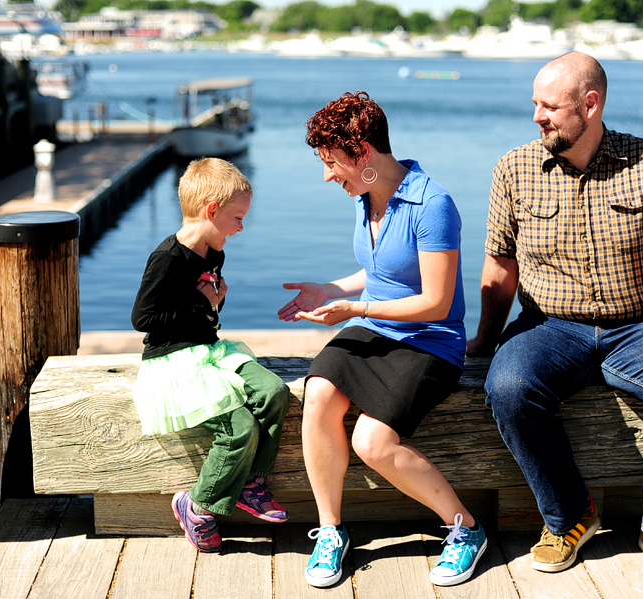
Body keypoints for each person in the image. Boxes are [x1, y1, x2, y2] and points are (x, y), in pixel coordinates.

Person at [469, 52, 643, 584]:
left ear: (590, 105)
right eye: (534, 105)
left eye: (549, 106)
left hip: (637, 326)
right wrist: (483, 342)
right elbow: (500, 267)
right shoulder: (514, 168)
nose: (538, 116)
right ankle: (569, 516)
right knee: (509, 386)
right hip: (548, 326)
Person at [278, 91, 486, 588]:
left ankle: (465, 529)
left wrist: (355, 308)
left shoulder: (433, 204)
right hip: (375, 326)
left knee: (371, 441)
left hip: (430, 341)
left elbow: (436, 302)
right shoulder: (364, 193)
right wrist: (334, 289)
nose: (327, 174)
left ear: (363, 153)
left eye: (332, 163)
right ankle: (331, 531)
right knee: (319, 393)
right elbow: (380, 271)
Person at [131, 157, 291, 553]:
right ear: (211, 211)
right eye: (237, 218)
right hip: (174, 360)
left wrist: (213, 304)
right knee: (239, 428)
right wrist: (202, 307)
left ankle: (252, 482)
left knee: (274, 392)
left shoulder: (213, 252)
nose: (241, 227)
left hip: (210, 350)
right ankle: (197, 507)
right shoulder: (168, 257)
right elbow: (143, 317)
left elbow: (207, 306)